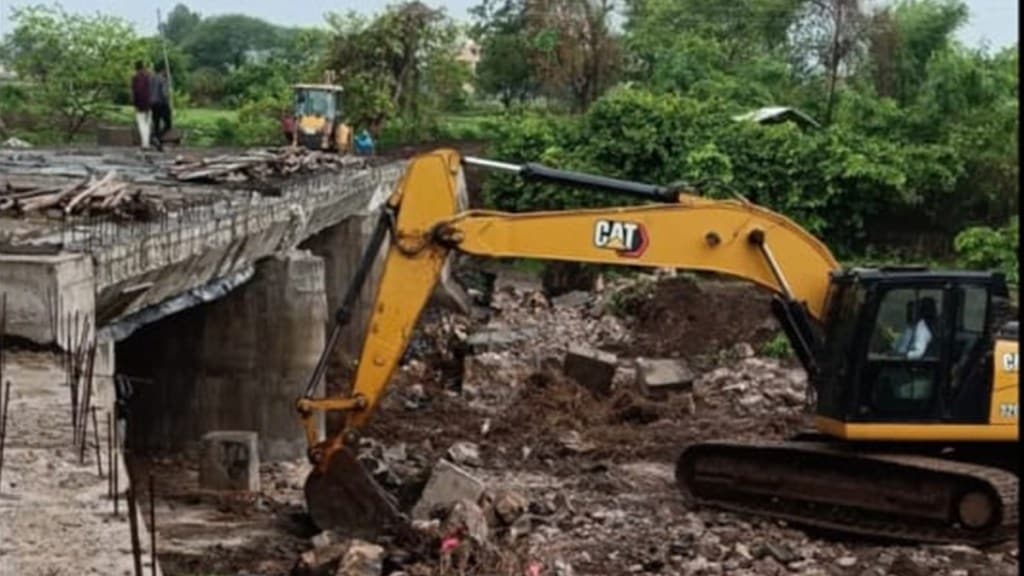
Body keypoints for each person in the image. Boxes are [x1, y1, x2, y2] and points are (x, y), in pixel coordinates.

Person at [149, 64, 172, 151]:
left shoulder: (151, 78)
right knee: (168, 124)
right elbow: (164, 93)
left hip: (152, 103)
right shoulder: (163, 79)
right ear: (163, 71)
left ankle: (157, 141)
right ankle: (156, 137)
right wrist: (167, 102)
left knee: (156, 123)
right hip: (161, 103)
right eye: (166, 72)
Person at [131, 61, 152, 150]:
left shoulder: (136, 78)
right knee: (147, 124)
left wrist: (135, 104)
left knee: (141, 123)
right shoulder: (148, 77)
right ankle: (146, 142)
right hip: (150, 103)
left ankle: (145, 143)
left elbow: (136, 92)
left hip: (140, 104)